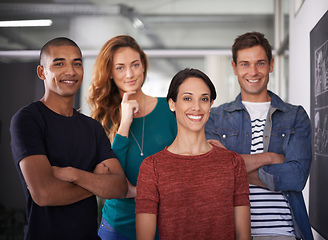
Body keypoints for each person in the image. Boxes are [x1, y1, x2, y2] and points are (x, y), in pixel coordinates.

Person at [9, 37, 128, 240]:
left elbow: (119, 187)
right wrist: (96, 181)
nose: (71, 71)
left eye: (77, 63)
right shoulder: (28, 120)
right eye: (59, 63)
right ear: (42, 72)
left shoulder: (92, 127)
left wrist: (73, 174)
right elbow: (44, 194)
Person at [205, 32, 313, 240]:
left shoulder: (295, 116)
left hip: (283, 232)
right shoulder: (215, 118)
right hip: (230, 232)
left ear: (271, 65)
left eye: (260, 63)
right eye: (245, 64)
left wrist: (230, 168)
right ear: (234, 67)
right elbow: (211, 173)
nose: (253, 72)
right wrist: (270, 158)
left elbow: (297, 178)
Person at [135, 68, 251, 240]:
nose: (196, 107)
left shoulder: (233, 162)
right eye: (187, 98)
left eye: (204, 99)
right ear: (172, 104)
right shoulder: (152, 167)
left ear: (211, 104)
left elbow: (244, 236)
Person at [87, 35, 177, 240]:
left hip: (164, 223)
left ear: (143, 66)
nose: (129, 74)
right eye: (120, 67)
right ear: (109, 73)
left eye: (135, 65)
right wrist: (124, 124)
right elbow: (110, 179)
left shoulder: (170, 109)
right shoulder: (101, 119)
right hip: (118, 226)